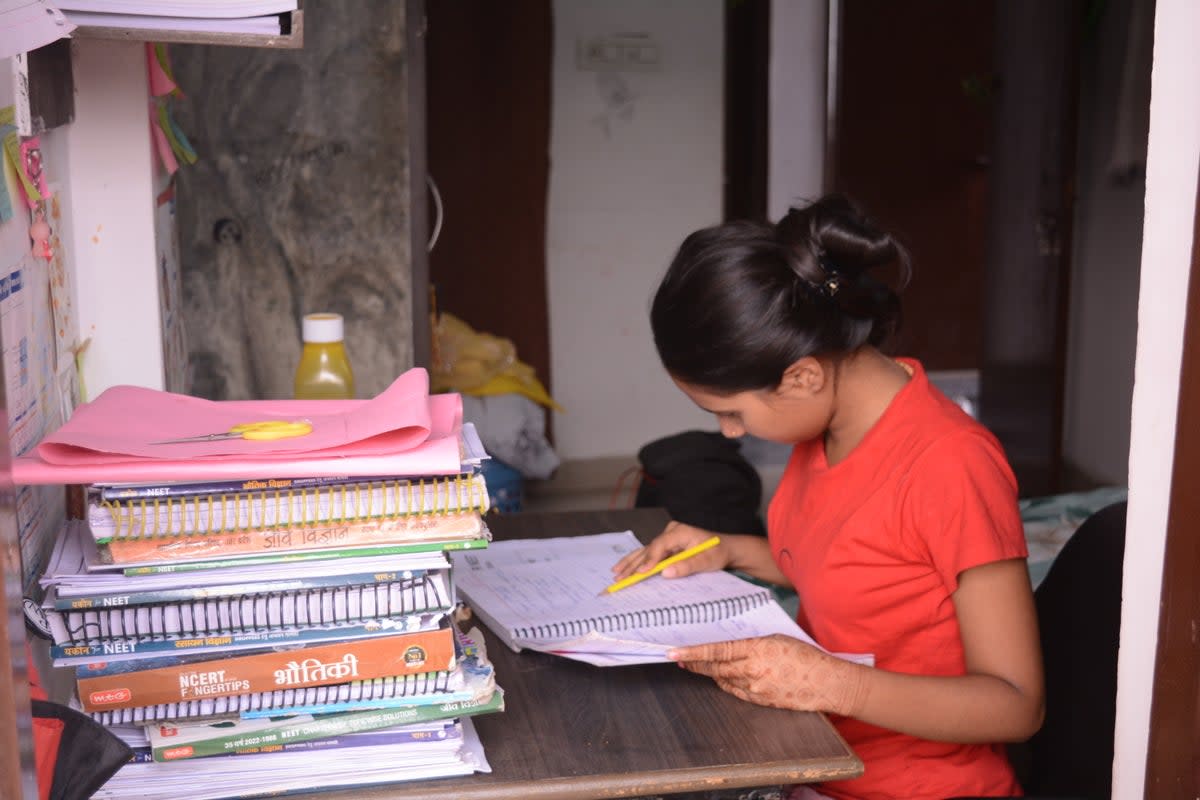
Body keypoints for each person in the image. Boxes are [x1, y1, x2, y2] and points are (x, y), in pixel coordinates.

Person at [613, 194, 1043, 800]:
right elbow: (855, 570)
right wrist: (728, 550)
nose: (729, 433)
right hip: (817, 760)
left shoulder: (950, 464)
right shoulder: (830, 426)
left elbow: (1016, 705)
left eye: (731, 413)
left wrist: (834, 686)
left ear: (802, 377)